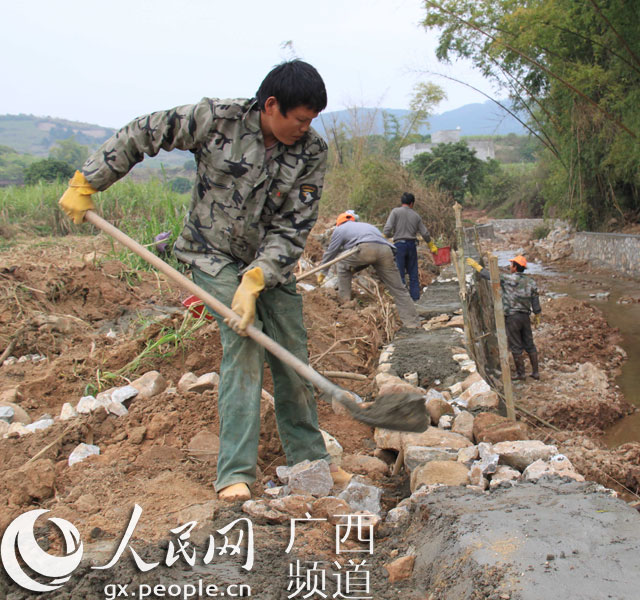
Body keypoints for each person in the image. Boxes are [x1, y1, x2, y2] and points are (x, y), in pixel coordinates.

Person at [58, 60, 349, 502]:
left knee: (292, 355)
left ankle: (310, 464)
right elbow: (144, 132)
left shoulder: (312, 152)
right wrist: (90, 180)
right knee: (245, 343)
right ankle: (235, 473)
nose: (305, 129)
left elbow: (294, 226)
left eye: (312, 121)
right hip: (210, 254)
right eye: (300, 119)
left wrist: (258, 278)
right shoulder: (216, 119)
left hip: (270, 263)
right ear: (272, 105)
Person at [317, 213, 421, 328]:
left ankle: (345, 300)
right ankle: (413, 323)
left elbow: (331, 251)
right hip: (386, 251)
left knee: (341, 263)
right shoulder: (367, 226)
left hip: (366, 250)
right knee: (398, 289)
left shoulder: (340, 229)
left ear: (338, 223)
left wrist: (323, 272)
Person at [466, 255, 542, 380]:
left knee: (516, 345)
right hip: (525, 317)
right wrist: (537, 314)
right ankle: (535, 372)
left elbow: (490, 276)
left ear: (515, 267)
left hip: (512, 317)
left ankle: (521, 374)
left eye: (512, 265)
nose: (510, 267)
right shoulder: (531, 282)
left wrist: (477, 267)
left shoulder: (507, 278)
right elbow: (535, 299)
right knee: (529, 344)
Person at [383, 192, 438, 300]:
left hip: (399, 245)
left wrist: (382, 238)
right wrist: (431, 245)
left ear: (402, 202)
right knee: (413, 273)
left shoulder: (395, 212)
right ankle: (415, 298)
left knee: (400, 272)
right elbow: (425, 233)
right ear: (412, 203)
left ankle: (403, 299)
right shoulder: (416, 215)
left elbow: (387, 229)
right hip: (412, 246)